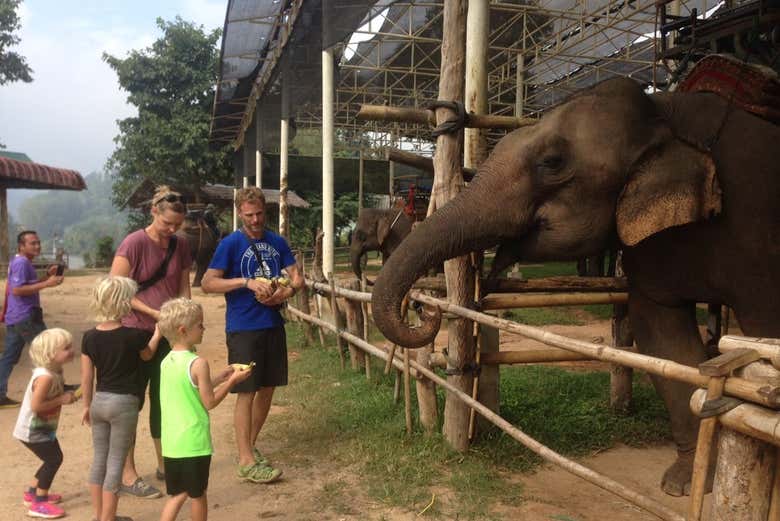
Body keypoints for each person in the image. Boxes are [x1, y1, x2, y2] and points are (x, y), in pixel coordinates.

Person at [202, 186, 303, 484]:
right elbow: (208, 282)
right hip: (243, 326)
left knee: (268, 388)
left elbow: (297, 276)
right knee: (245, 391)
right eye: (249, 215)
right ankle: (246, 460)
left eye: (259, 213)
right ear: (239, 213)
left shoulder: (277, 241)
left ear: (265, 211)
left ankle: (250, 446)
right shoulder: (231, 244)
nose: (255, 220)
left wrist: (287, 290)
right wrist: (246, 282)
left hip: (272, 323)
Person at [110, 185, 191, 498]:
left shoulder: (180, 244)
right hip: (134, 332)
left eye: (176, 226)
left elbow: (183, 286)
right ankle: (127, 475)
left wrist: (185, 316)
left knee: (165, 400)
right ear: (153, 212)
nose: (171, 230)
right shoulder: (134, 243)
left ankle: (163, 463)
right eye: (166, 223)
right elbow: (117, 291)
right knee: (131, 403)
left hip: (169, 333)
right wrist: (156, 313)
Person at [156, 298, 251, 521]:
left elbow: (191, 388)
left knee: (176, 495)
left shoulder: (166, 362)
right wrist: (232, 382)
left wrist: (220, 376)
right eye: (200, 324)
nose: (203, 328)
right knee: (198, 495)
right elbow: (209, 402)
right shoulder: (197, 363)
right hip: (194, 443)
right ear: (183, 330)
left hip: (172, 443)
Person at [81, 276, 163, 521]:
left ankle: (100, 515)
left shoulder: (89, 337)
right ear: (124, 303)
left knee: (99, 460)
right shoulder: (134, 335)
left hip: (99, 402)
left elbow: (87, 378)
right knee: (116, 463)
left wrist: (86, 405)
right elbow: (148, 356)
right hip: (124, 403)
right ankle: (109, 517)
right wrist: (157, 333)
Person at [13, 328, 78, 519]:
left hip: (42, 428)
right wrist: (61, 400)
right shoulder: (45, 377)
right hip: (33, 430)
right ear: (50, 354)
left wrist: (73, 390)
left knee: (50, 458)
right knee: (54, 459)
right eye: (66, 348)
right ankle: (39, 503)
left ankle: (32, 493)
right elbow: (36, 406)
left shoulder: (54, 371)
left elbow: (60, 388)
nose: (72, 350)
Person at [0, 230, 64, 408]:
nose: (37, 246)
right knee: (48, 350)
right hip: (26, 316)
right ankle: (56, 387)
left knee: (8, 357)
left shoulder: (21, 262)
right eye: (32, 243)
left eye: (38, 242)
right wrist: (47, 283)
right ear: (21, 246)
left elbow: (26, 286)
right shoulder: (22, 263)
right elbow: (17, 290)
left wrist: (46, 277)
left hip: (16, 316)